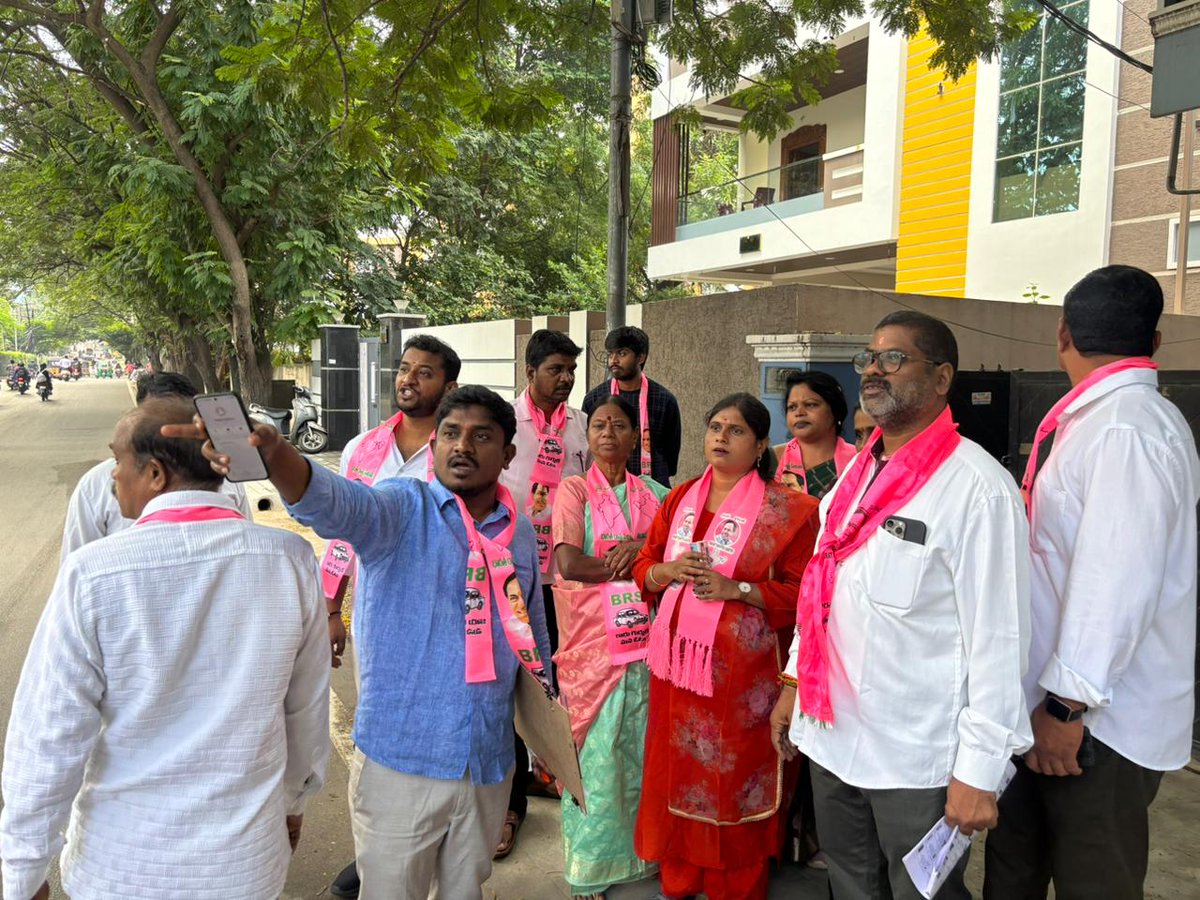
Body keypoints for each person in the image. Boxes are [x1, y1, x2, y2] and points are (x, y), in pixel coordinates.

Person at [184, 385, 554, 900]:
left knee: (466, 891)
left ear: (508, 453)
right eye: (450, 433)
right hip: (401, 761)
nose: (462, 446)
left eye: (481, 436)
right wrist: (276, 455)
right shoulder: (402, 509)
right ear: (435, 444)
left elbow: (530, 632)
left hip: (487, 761)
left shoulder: (515, 532)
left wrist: (550, 732)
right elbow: (335, 503)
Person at [0, 397, 330, 900]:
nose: (111, 475)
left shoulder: (93, 574)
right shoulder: (290, 561)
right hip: (244, 865)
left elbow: (49, 734)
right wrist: (293, 802)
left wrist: (23, 871)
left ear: (155, 473)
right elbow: (305, 710)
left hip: (122, 866)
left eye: (117, 460)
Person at [770, 311, 1032, 900]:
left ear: (942, 379)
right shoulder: (852, 478)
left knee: (921, 894)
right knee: (850, 882)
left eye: (894, 358)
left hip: (916, 755)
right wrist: (793, 682)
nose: (874, 371)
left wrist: (979, 771)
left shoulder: (977, 489)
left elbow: (1002, 639)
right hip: (832, 734)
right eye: (869, 358)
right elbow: (821, 588)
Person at [983, 266, 1200, 900]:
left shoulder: (1127, 429)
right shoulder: (1098, 420)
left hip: (1092, 723)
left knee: (1092, 878)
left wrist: (1065, 707)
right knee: (1014, 866)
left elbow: (1116, 584)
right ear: (1154, 342)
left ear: (1062, 334)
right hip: (1047, 706)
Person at [632, 393, 820, 900]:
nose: (721, 437)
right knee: (678, 772)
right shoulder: (681, 498)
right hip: (678, 675)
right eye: (715, 426)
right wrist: (665, 572)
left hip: (745, 685)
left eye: (735, 430)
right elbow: (644, 568)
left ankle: (734, 882)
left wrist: (737, 589)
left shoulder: (793, 511)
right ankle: (681, 876)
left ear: (760, 444)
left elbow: (809, 593)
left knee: (733, 778)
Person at [326, 335, 460, 900]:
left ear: (448, 386)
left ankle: (434, 839)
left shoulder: (459, 447)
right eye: (405, 369)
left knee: (441, 714)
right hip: (377, 614)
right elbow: (340, 537)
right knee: (378, 719)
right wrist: (331, 608)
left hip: (448, 610)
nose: (409, 379)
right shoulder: (364, 448)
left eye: (424, 372)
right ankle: (376, 852)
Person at [550, 397, 671, 899]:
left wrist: (643, 552)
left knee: (641, 748)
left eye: (618, 425)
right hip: (592, 644)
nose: (607, 433)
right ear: (587, 435)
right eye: (598, 425)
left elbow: (676, 556)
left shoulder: (659, 493)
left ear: (634, 437)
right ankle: (593, 867)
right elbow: (569, 564)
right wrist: (639, 562)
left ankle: (643, 856)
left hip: (645, 642)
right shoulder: (572, 490)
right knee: (596, 754)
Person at [499, 328, 590, 855]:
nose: (566, 379)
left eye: (571, 371)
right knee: (512, 691)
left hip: (565, 583)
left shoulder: (580, 426)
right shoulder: (504, 422)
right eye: (556, 369)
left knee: (561, 684)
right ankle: (511, 804)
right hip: (512, 577)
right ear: (529, 372)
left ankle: (557, 776)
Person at [60, 372, 252, 562]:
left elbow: (245, 543)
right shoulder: (94, 485)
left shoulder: (225, 474)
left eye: (177, 419)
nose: (163, 432)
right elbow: (76, 557)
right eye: (154, 420)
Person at [582, 326, 682, 487]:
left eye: (622, 354)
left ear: (640, 358)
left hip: (653, 490)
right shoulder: (595, 398)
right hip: (606, 491)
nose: (613, 360)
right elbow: (587, 448)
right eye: (610, 354)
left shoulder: (664, 399)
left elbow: (671, 454)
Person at [772, 370, 856, 499]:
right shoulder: (772, 459)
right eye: (792, 407)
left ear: (835, 410)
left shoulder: (857, 461)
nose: (799, 413)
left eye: (810, 405)